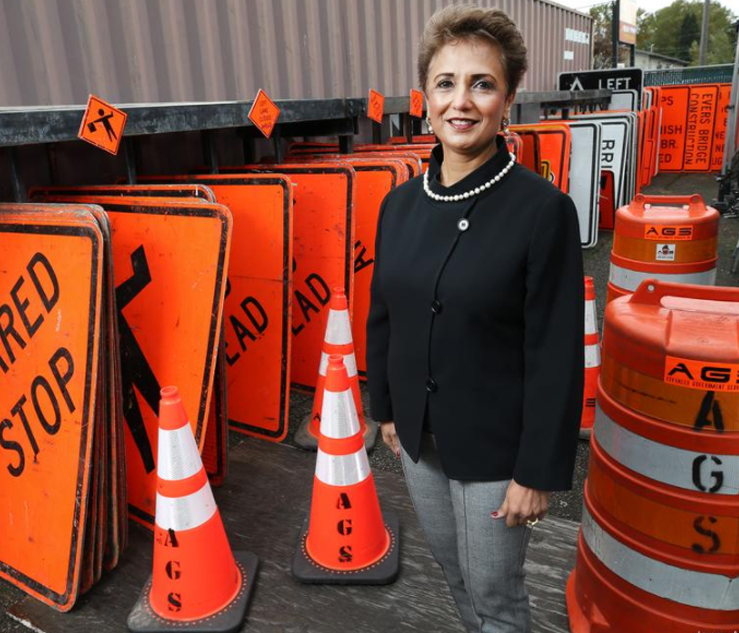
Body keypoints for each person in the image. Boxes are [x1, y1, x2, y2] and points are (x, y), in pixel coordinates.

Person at [366, 5, 584, 633]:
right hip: (419, 441)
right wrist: (385, 408)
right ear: (425, 97)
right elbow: (385, 314)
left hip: (497, 451)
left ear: (508, 97)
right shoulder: (399, 204)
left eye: (481, 84)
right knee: (455, 575)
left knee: (495, 596)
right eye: (446, 82)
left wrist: (538, 473)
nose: (461, 101)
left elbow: (556, 353)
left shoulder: (543, 211)